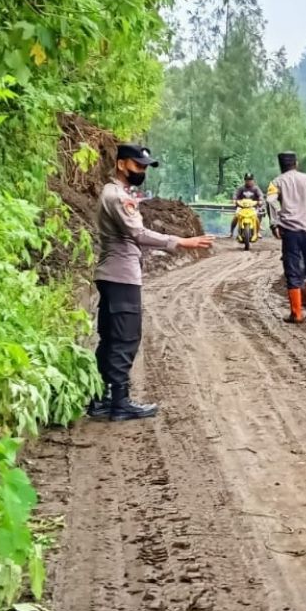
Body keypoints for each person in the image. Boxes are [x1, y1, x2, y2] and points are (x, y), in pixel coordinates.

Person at [88, 144, 213, 421]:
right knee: (125, 338)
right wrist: (180, 241)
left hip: (113, 275)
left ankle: (101, 398)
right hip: (121, 277)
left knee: (110, 337)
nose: (142, 171)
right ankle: (119, 402)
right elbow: (138, 232)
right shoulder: (118, 197)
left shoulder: (116, 193)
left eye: (145, 167)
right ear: (121, 164)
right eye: (137, 165)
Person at [267, 152, 306, 323]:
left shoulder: (277, 182)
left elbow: (271, 201)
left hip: (290, 232)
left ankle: (296, 313)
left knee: (293, 271)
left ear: (281, 165)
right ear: (296, 163)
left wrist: (275, 223)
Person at [229, 172, 264, 239]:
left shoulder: (256, 189)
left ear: (253, 180)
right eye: (247, 180)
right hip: (242, 207)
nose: (248, 181)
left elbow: (260, 195)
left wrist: (260, 200)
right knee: (236, 216)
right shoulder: (241, 188)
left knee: (257, 216)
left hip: (253, 207)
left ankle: (258, 232)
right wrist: (234, 200)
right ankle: (231, 232)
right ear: (245, 180)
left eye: (250, 180)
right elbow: (235, 194)